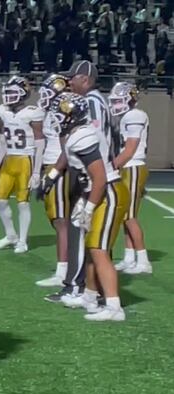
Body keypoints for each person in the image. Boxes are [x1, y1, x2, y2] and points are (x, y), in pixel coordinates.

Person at [41, 92, 129, 321]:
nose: (57, 118)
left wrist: (88, 207)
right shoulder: (79, 133)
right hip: (97, 191)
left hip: (106, 191)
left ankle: (113, 307)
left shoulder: (83, 137)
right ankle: (90, 296)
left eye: (60, 114)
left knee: (99, 250)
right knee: (92, 247)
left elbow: (99, 177)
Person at [0, 76, 45, 254]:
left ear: (23, 94)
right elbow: (2, 141)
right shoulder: (4, 111)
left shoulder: (32, 112)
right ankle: (10, 235)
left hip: (25, 160)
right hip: (9, 160)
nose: (8, 96)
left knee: (23, 203)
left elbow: (39, 142)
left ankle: (22, 240)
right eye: (7, 92)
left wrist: (37, 171)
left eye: (13, 92)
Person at [109, 82, 152, 275]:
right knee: (126, 216)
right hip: (128, 166)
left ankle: (143, 261)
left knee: (130, 216)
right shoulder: (127, 116)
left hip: (133, 166)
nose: (116, 104)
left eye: (120, 100)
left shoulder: (135, 115)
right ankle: (129, 257)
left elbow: (130, 149)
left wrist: (111, 167)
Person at [35, 74, 71, 288]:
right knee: (57, 220)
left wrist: (53, 173)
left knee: (61, 221)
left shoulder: (63, 109)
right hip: (53, 164)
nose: (44, 96)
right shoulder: (52, 110)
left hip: (58, 165)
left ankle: (63, 271)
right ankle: (66, 268)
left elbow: (67, 146)